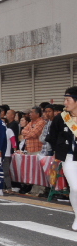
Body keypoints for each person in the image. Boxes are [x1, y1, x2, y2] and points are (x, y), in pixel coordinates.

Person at [45, 87, 77, 230]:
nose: (65, 103)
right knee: (75, 188)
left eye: (68, 100)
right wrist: (59, 149)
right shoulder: (61, 118)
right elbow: (52, 136)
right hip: (69, 157)